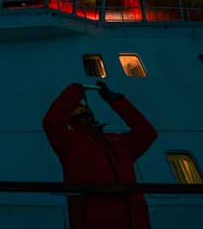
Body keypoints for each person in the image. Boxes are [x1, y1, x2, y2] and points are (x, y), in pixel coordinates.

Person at [42, 80, 158, 229]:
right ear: (72, 122)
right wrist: (75, 91)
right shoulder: (70, 144)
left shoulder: (119, 142)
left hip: (136, 221)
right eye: (81, 115)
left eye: (87, 114)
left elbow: (148, 133)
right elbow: (51, 122)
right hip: (95, 221)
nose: (88, 118)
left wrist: (117, 101)